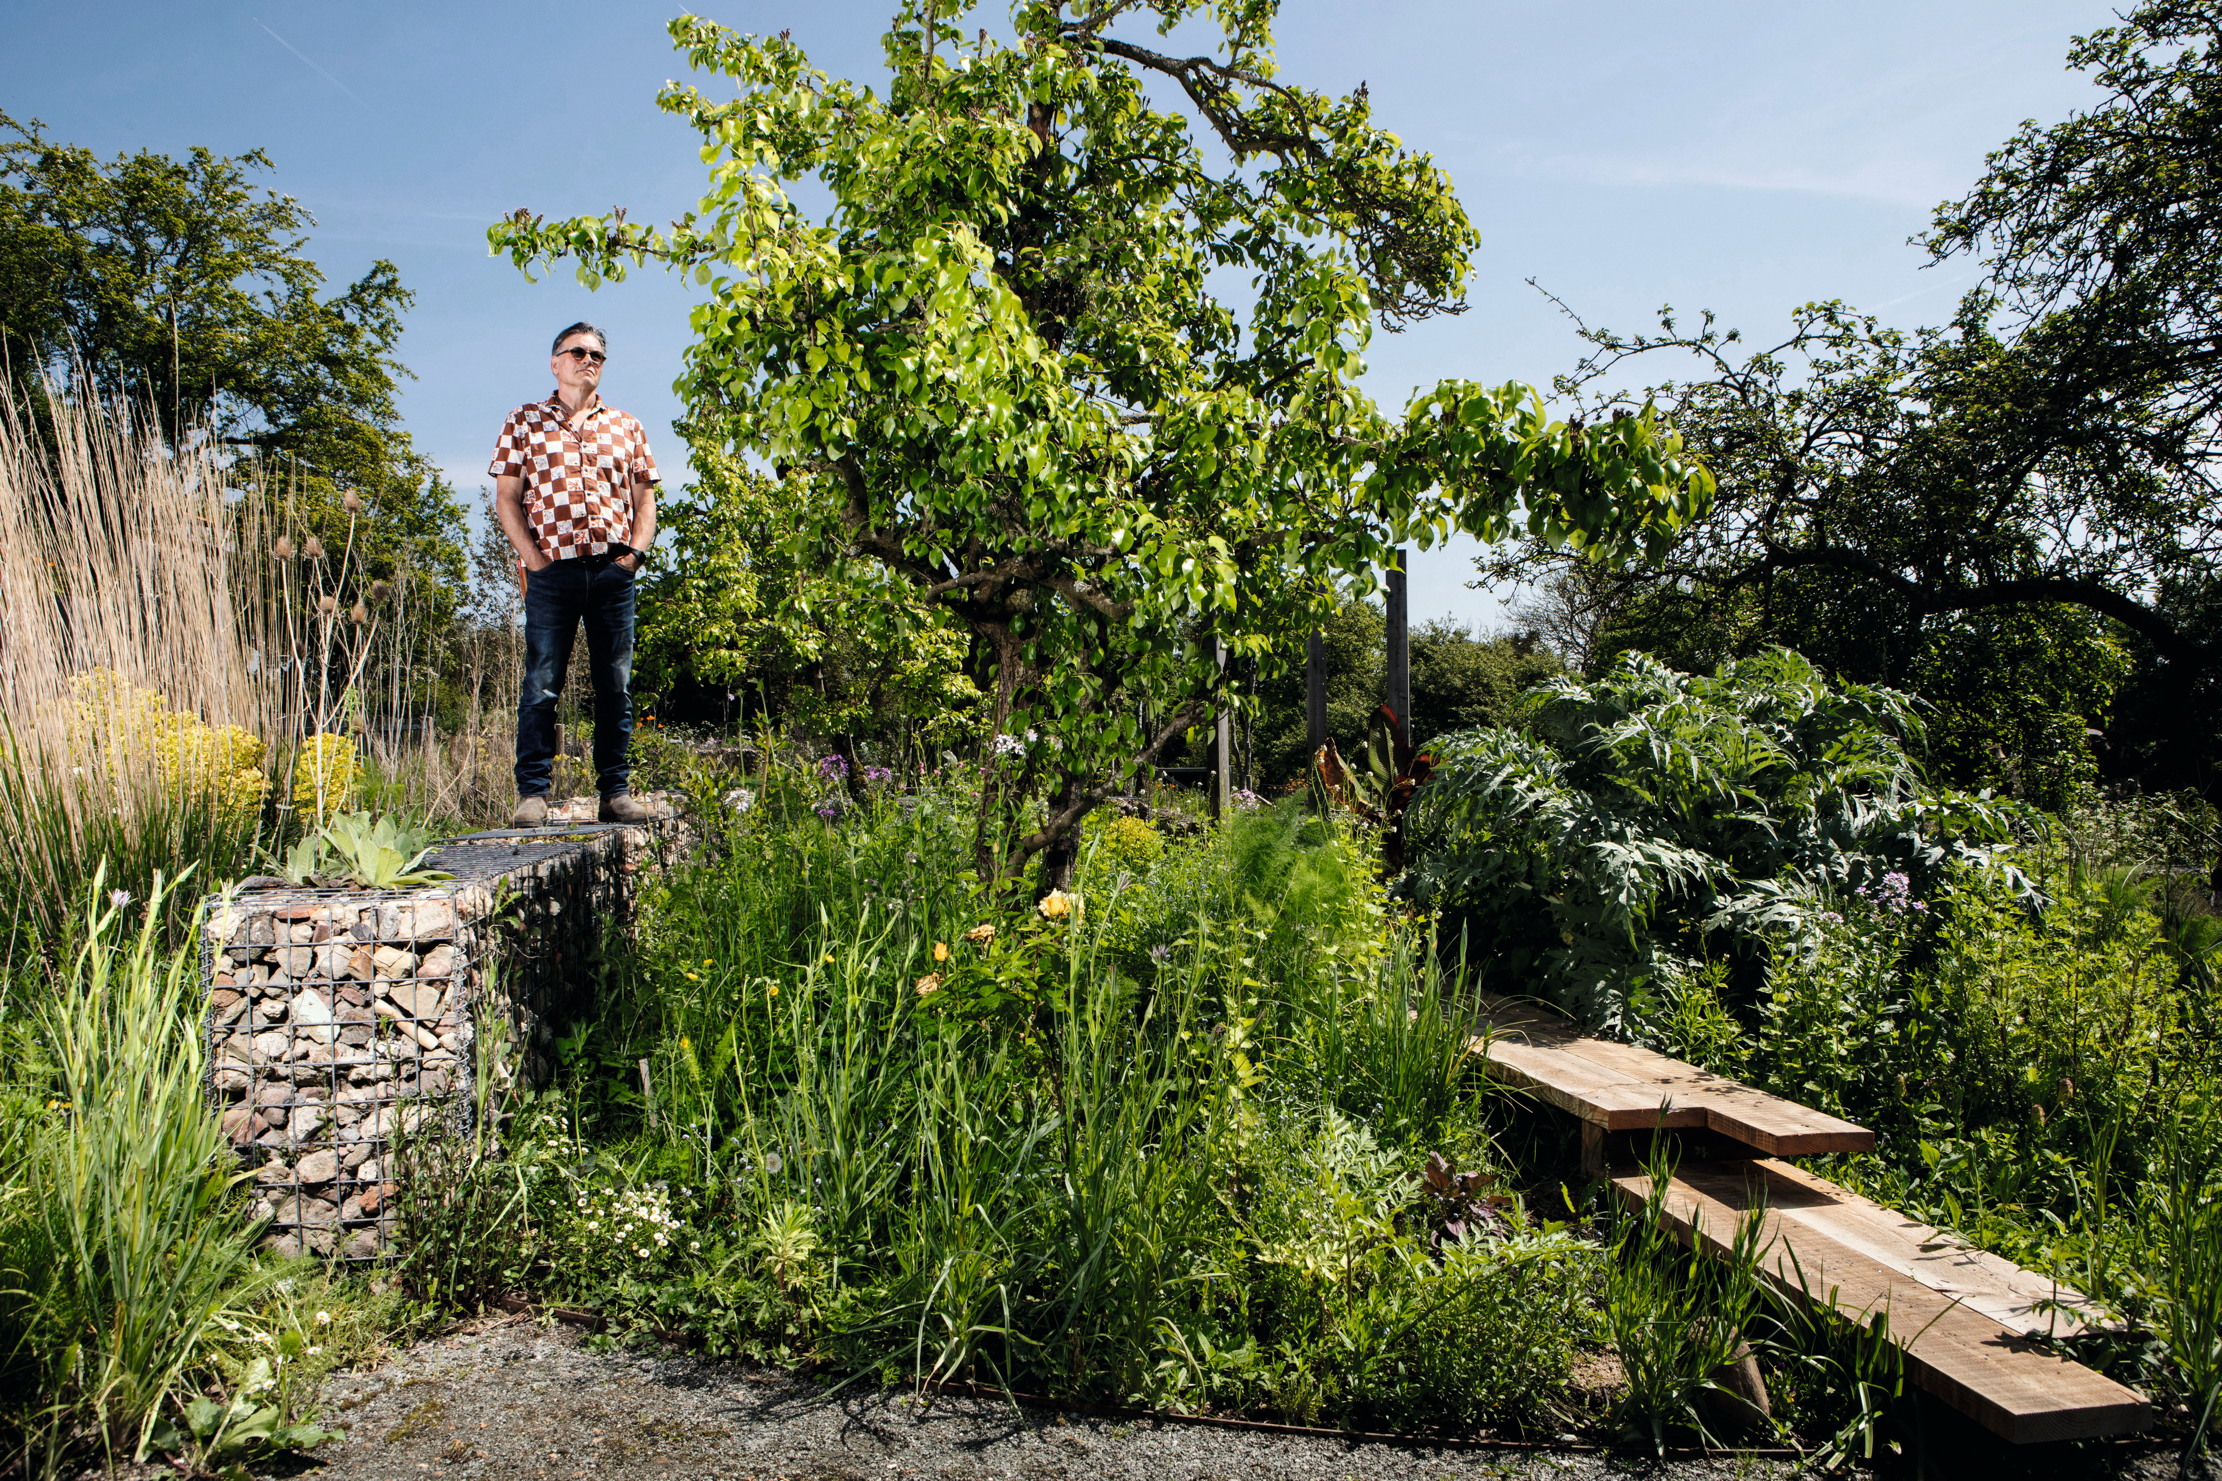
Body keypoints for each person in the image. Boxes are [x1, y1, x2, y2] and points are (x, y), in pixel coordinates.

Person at [489, 322, 659, 826]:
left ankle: (615, 793)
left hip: (612, 572)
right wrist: (535, 561)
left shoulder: (627, 426)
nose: (589, 360)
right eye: (579, 352)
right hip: (552, 573)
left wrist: (633, 557)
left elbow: (645, 499)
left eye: (598, 355)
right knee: (541, 684)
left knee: (615, 685)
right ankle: (532, 795)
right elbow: (507, 499)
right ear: (555, 362)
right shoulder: (524, 421)